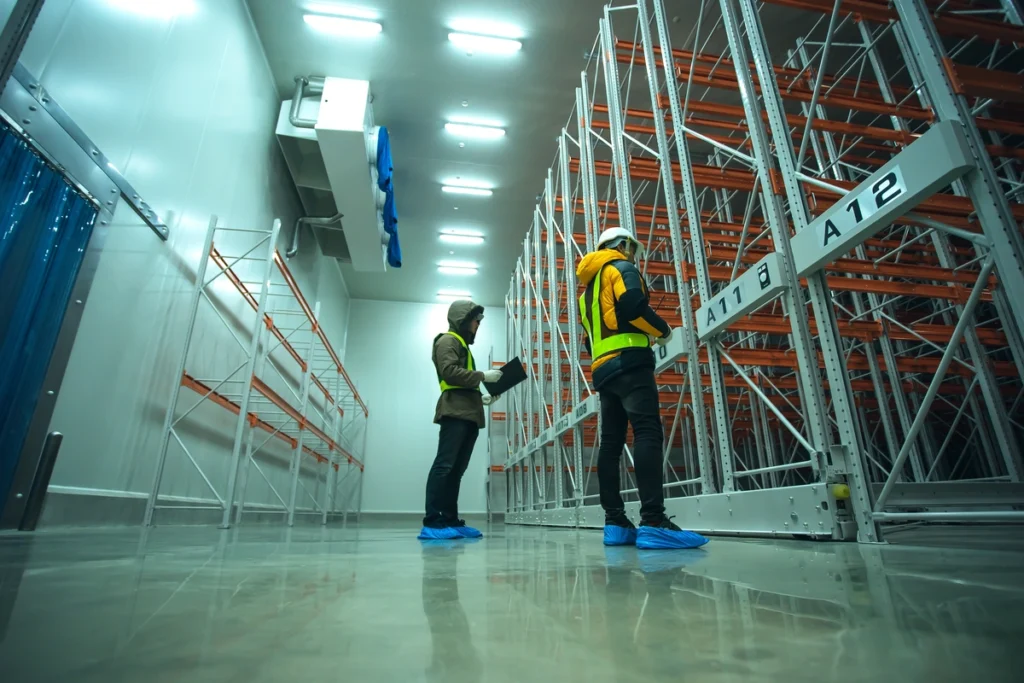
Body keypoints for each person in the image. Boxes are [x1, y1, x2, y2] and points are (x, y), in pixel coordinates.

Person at [576, 227, 709, 550]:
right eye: (632, 248)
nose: (635, 255)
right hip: (631, 363)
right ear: (622, 245)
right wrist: (663, 331)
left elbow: (588, 338)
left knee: (610, 444)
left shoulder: (585, 294)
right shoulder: (621, 268)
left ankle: (616, 522)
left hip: (602, 370)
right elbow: (633, 305)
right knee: (647, 432)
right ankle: (653, 520)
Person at [419, 300, 502, 540]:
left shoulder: (461, 344)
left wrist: (482, 397)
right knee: (445, 467)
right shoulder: (447, 340)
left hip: (468, 412)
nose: (478, 325)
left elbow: (460, 379)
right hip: (455, 412)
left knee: (455, 471)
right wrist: (482, 376)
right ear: (464, 319)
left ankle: (450, 520)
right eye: (476, 320)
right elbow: (449, 372)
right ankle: (433, 523)